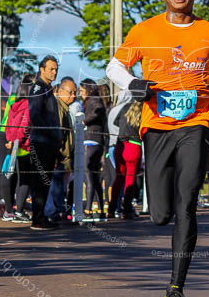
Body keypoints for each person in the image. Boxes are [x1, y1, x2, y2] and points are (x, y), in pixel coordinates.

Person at [105, 0, 209, 297]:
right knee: (160, 215)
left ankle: (176, 287)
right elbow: (114, 67)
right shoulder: (145, 30)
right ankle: (162, 221)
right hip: (156, 124)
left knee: (187, 203)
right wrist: (133, 84)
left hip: (198, 121)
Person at [26, 56, 63, 230]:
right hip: (41, 141)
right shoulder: (38, 88)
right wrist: (49, 132)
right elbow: (34, 114)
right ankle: (38, 218)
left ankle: (41, 216)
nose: (54, 72)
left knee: (45, 180)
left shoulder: (48, 89)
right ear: (42, 69)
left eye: (56, 69)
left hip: (50, 142)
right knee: (40, 181)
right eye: (51, 69)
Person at [46, 77, 76, 222]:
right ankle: (52, 212)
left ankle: (56, 210)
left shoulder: (65, 108)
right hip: (57, 154)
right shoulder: (58, 107)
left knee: (58, 184)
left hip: (62, 156)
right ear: (60, 91)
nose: (73, 96)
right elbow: (57, 133)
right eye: (70, 92)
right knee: (55, 184)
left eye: (75, 93)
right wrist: (57, 153)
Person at [5, 75, 34, 223]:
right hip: (25, 146)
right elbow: (25, 126)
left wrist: (11, 140)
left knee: (18, 179)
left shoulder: (13, 106)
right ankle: (19, 211)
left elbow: (8, 126)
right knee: (25, 180)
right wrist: (21, 139)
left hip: (14, 146)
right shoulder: (28, 106)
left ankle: (14, 210)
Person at [110, 98, 143, 219]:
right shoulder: (144, 109)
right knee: (130, 179)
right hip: (134, 145)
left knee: (118, 178)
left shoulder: (125, 107)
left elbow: (116, 122)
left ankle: (112, 208)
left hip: (120, 145)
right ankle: (127, 209)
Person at [80, 79, 107, 219]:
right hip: (98, 142)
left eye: (82, 90)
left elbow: (98, 110)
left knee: (88, 174)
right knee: (95, 177)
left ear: (88, 89)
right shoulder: (97, 99)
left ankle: (88, 210)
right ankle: (101, 210)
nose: (80, 94)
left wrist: (84, 121)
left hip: (91, 142)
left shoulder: (94, 100)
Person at [0, 80, 20, 220]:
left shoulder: (16, 98)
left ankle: (11, 208)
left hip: (10, 135)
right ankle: (8, 210)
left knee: (13, 173)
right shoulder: (15, 99)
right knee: (7, 171)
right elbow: (12, 120)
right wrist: (11, 139)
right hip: (6, 136)